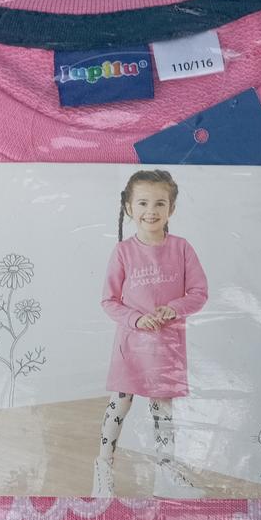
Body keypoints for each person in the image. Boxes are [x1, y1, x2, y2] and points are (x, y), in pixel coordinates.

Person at [93, 169, 208, 498]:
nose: (151, 210)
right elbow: (109, 301)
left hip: (166, 348)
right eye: (143, 203)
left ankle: (166, 472)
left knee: (163, 411)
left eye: (160, 203)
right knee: (119, 405)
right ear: (129, 207)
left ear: (172, 208)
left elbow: (199, 292)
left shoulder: (182, 248)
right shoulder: (123, 252)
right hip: (130, 347)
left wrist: (174, 308)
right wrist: (135, 319)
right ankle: (103, 468)